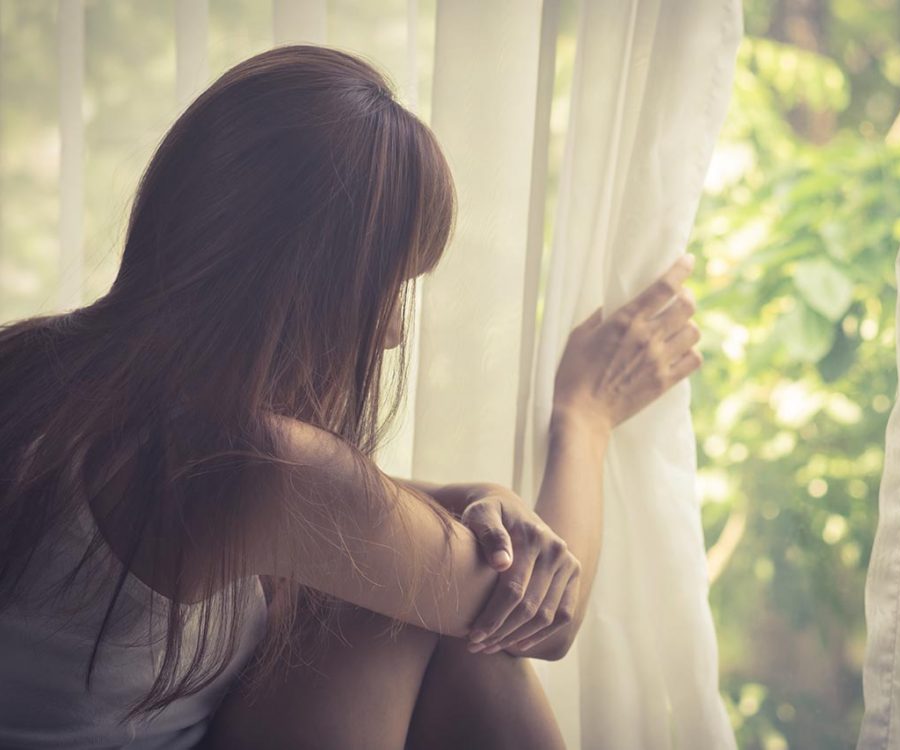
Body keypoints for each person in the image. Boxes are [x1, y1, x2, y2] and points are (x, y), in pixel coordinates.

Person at [0, 45, 702, 750]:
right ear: (301, 287)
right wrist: (585, 419)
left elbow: (363, 516)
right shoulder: (254, 465)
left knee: (392, 585)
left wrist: (474, 496)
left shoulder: (32, 365)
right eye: (387, 289)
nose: (393, 332)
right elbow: (546, 621)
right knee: (411, 612)